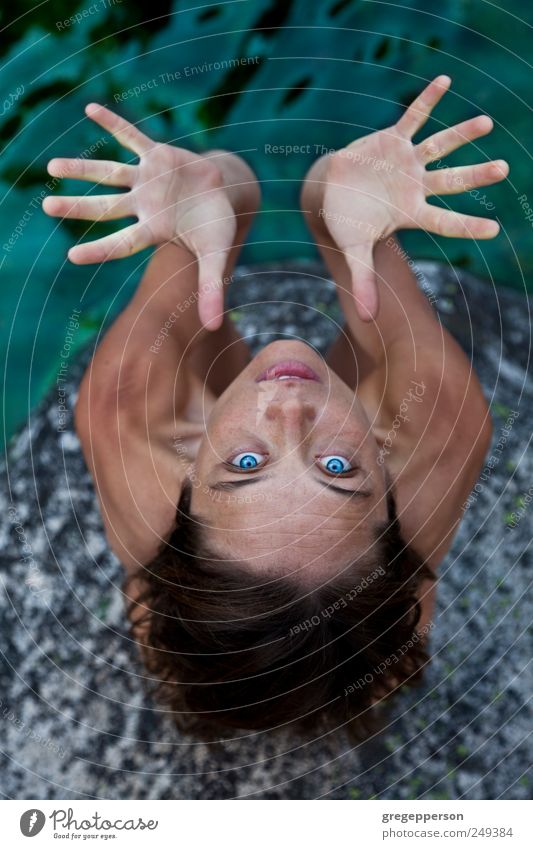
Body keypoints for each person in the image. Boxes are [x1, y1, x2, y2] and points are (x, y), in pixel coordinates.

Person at [43, 76, 505, 738]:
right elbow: (326, 199)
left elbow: (226, 186)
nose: (288, 410)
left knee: (164, 639)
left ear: (184, 486)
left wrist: (204, 202)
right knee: (382, 638)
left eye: (247, 460)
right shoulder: (442, 429)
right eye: (339, 466)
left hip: (193, 477)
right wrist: (348, 210)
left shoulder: (126, 408)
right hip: (374, 489)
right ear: (389, 490)